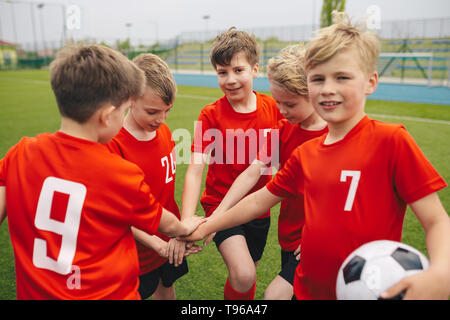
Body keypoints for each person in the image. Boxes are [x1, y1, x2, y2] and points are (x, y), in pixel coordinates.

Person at [182, 12, 450, 300]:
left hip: (371, 286)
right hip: (308, 284)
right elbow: (259, 198)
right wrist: (204, 226)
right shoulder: (305, 153)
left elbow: (436, 221)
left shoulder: (391, 141)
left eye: (342, 77)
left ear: (371, 82)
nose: (328, 89)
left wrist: (441, 272)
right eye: (318, 79)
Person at [0, 44, 203, 300]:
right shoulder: (117, 172)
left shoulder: (19, 153)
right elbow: (168, 224)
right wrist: (189, 227)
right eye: (123, 108)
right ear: (108, 115)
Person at [209, 44, 327, 300]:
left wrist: (320, 238)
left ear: (313, 93)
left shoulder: (334, 135)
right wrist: (216, 217)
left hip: (318, 243)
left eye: (290, 104)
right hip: (290, 237)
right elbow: (252, 174)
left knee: (275, 295)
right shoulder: (284, 130)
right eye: (278, 102)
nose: (281, 112)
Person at [180, 27, 284, 300]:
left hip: (259, 209)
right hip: (220, 204)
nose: (230, 79)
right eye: (222, 72)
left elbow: (264, 167)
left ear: (255, 69)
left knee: (247, 276)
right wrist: (189, 219)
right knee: (244, 273)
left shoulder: (273, 109)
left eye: (238, 70)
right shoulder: (211, 115)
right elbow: (195, 168)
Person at [107, 53, 200, 300]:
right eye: (152, 111)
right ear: (130, 98)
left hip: (170, 241)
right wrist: (156, 244)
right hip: (135, 251)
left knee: (167, 288)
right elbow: (116, 212)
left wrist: (176, 234)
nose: (161, 119)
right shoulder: (115, 145)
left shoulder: (164, 129)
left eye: (167, 111)